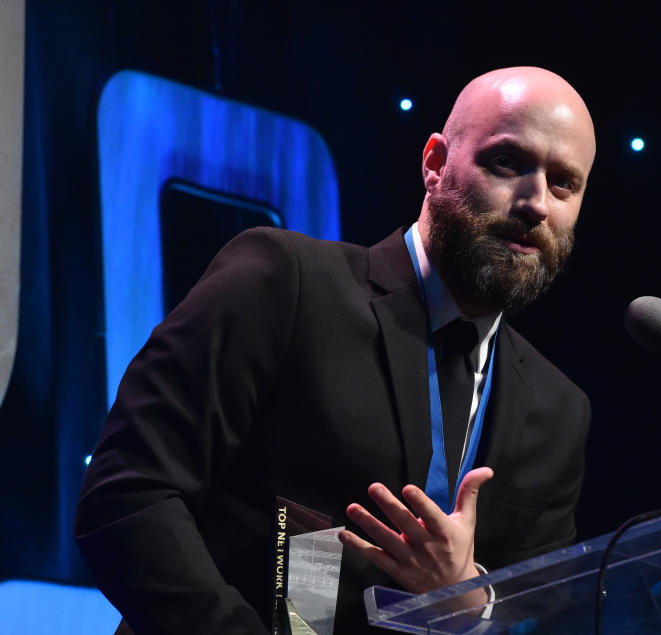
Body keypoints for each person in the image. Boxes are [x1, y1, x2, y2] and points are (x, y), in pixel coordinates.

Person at [75, 66, 596, 634]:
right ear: (435, 163)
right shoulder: (285, 282)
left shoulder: (560, 411)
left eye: (563, 183)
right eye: (507, 163)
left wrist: (472, 606)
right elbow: (129, 494)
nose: (536, 203)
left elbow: (545, 617)